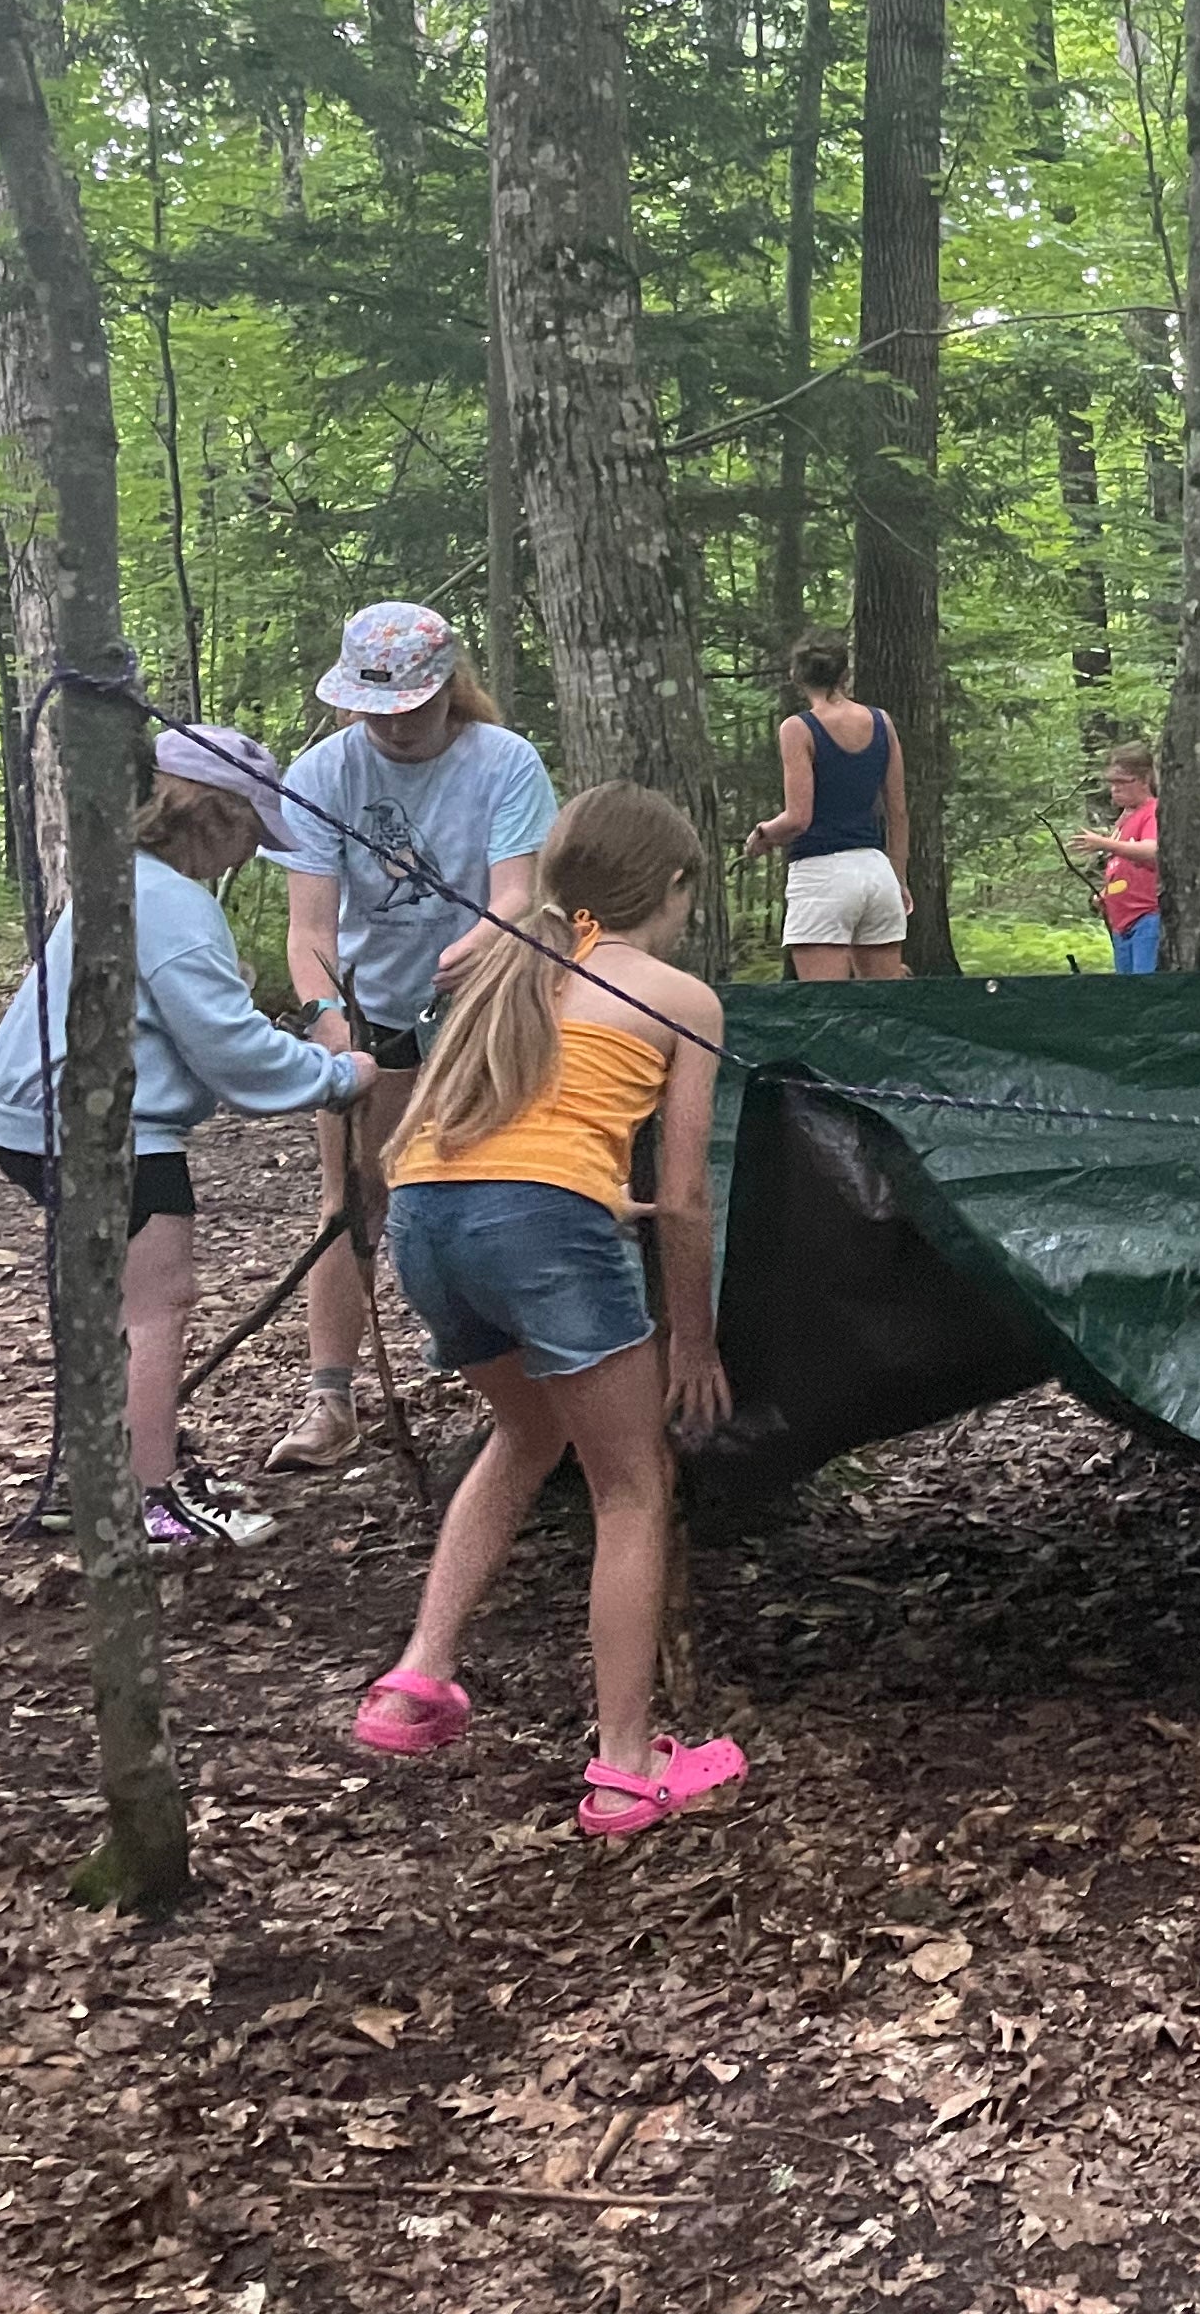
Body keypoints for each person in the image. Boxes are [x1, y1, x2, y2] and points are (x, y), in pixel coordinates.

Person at [347, 783, 742, 1837]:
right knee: (630, 1484)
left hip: (425, 1218)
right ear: (671, 887)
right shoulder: (677, 997)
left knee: (525, 1429)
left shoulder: (501, 967)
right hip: (545, 1224)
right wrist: (692, 1342)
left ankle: (420, 1678)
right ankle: (624, 1768)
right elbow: (691, 1195)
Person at [0, 728, 382, 1552]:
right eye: (246, 833)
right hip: (105, 1129)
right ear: (210, 814)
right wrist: (340, 1075)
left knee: (111, 1304)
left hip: (43, 1119)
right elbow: (232, 1052)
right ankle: (145, 1494)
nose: (244, 854)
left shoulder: (127, 884)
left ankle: (94, 1472)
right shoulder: (172, 902)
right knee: (156, 1305)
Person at [265, 603, 556, 1473]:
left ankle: (528, 1397)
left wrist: (484, 943)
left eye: (409, 708)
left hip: (482, 1009)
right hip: (373, 1011)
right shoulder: (321, 773)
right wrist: (330, 1022)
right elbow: (310, 929)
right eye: (373, 708)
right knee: (351, 1198)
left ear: (446, 690)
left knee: (497, 1193)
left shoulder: (503, 762)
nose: (390, 725)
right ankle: (329, 1399)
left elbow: (517, 894)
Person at [740, 636, 910, 979]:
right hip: (877, 873)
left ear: (795, 675)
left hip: (823, 877)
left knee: (825, 1009)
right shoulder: (881, 722)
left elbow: (798, 819)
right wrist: (900, 879)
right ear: (844, 675)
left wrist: (762, 834)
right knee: (888, 1011)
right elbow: (898, 812)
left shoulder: (798, 729)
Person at [1070, 742, 1162, 973]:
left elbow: (1153, 852)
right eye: (1112, 783)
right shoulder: (1125, 819)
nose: (1115, 789)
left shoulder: (1152, 811)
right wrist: (1106, 895)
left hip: (1146, 917)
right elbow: (1121, 867)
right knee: (1127, 990)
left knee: (1143, 986)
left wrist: (1103, 843)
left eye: (1122, 782)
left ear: (1144, 779)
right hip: (1122, 922)